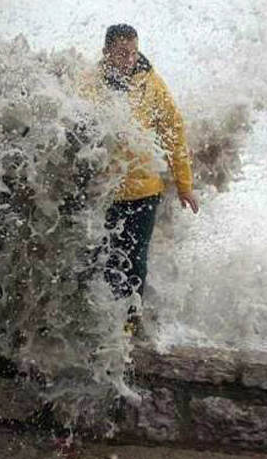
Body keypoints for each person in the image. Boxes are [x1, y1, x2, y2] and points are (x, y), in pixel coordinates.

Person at [79, 24, 199, 337]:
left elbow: (174, 132)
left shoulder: (152, 84)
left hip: (145, 191)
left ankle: (131, 322)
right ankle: (105, 324)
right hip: (105, 192)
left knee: (135, 259)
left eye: (133, 52)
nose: (129, 59)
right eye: (122, 53)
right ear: (107, 52)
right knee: (104, 259)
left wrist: (184, 185)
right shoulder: (90, 83)